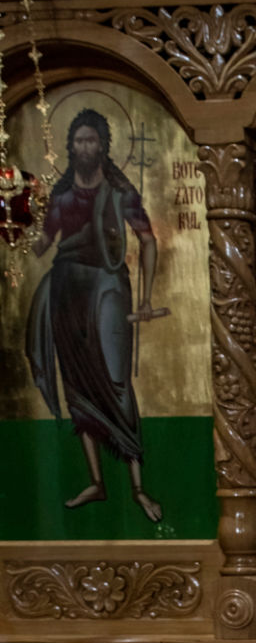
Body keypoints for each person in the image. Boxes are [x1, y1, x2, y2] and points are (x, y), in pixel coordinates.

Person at [25, 109, 165, 525]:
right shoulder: (62, 196)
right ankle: (97, 482)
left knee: (116, 382)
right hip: (67, 288)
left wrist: (144, 298)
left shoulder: (120, 192)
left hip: (107, 288)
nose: (84, 147)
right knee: (78, 385)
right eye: (78, 141)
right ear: (71, 147)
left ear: (103, 145)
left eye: (91, 140)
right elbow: (42, 243)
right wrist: (13, 232)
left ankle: (138, 488)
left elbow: (148, 240)